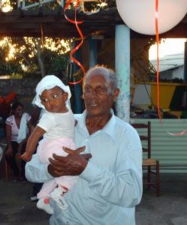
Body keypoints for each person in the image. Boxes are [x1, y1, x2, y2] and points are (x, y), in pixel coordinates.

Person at [25, 65, 143, 225]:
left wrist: (86, 169)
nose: (91, 96)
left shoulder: (126, 136)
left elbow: (132, 194)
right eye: (88, 89)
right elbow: (30, 169)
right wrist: (51, 170)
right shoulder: (65, 124)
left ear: (115, 94)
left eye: (100, 89)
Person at [21, 75, 77, 215]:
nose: (50, 102)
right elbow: (35, 134)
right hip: (55, 148)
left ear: (65, 96)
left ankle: (43, 198)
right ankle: (61, 191)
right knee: (74, 168)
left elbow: (69, 121)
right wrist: (28, 152)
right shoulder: (50, 117)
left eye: (54, 96)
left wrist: (73, 123)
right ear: (41, 103)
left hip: (54, 147)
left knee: (54, 176)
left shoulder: (66, 111)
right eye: (45, 100)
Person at [5, 101, 33, 182]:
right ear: (13, 111)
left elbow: (31, 131)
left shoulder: (26, 116)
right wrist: (9, 147)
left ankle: (25, 175)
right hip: (14, 140)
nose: (20, 112)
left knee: (25, 153)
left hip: (26, 139)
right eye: (18, 110)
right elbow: (8, 135)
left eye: (21, 110)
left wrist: (21, 144)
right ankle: (17, 173)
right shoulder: (9, 120)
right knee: (8, 155)